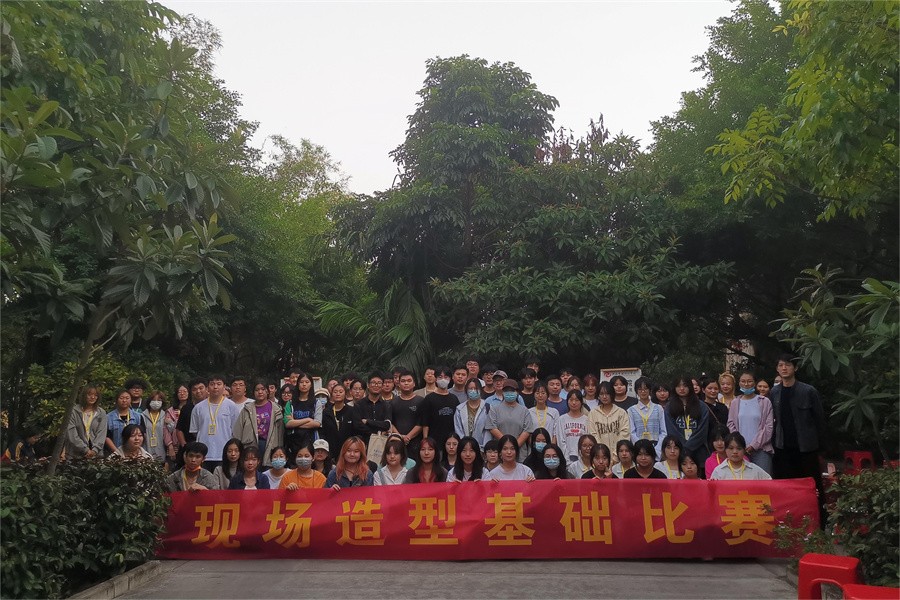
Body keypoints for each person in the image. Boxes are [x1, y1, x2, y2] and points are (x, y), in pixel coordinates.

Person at [769, 354, 826, 523]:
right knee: (785, 487)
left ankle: (819, 521)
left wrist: (822, 449)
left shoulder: (808, 391)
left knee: (812, 487)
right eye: (781, 365)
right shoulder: (774, 392)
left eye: (788, 365)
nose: (784, 368)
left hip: (806, 448)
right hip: (782, 448)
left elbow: (819, 420)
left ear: (795, 368)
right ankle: (788, 521)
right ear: (777, 369)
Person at [189, 374, 241, 471]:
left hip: (224, 454)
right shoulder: (198, 407)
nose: (215, 387)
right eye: (212, 384)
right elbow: (195, 431)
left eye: (219, 384)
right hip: (203, 455)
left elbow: (235, 431)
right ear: (208, 387)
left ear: (224, 386)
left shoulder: (231, 406)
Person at [727, 370, 775, 475]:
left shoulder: (764, 401)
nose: (746, 384)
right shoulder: (735, 403)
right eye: (743, 381)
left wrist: (754, 445)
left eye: (749, 381)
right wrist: (739, 444)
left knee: (763, 480)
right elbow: (731, 424)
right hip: (740, 450)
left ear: (755, 383)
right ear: (739, 383)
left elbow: (768, 427)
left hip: (761, 450)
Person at [665, 375, 710, 474]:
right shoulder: (669, 407)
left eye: (685, 385)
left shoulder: (701, 406)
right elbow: (671, 429)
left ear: (690, 387)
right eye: (678, 386)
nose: (682, 389)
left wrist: (689, 446)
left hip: (699, 451)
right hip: (678, 451)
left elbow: (702, 430)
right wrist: (682, 446)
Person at [233, 379, 284, 467]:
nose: (260, 392)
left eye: (263, 389)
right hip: (250, 445)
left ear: (267, 391)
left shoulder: (276, 409)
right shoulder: (246, 409)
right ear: (253, 392)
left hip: (270, 445)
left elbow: (280, 434)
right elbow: (238, 432)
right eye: (257, 390)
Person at [487, 379, 534, 461]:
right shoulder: (494, 409)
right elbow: (492, 428)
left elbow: (527, 431)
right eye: (506, 391)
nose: (509, 393)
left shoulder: (524, 410)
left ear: (517, 392)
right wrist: (506, 445)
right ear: (503, 392)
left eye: (512, 391)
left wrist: (514, 447)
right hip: (500, 450)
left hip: (519, 452)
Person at [588, 382, 630, 464]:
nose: (604, 397)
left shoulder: (621, 412)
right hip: (600, 459)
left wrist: (615, 456)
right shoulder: (593, 413)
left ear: (612, 394)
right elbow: (592, 434)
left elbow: (624, 434)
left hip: (619, 458)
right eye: (601, 394)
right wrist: (602, 455)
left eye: (607, 394)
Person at [284, 372, 323, 457]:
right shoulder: (290, 403)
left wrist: (294, 422)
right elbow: (287, 423)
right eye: (301, 382)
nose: (304, 384)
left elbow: (317, 423)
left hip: (311, 440)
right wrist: (308, 419)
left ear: (311, 384)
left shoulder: (316, 403)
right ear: (297, 384)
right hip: (294, 441)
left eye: (307, 382)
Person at [628, 376, 667, 457]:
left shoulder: (658, 408)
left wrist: (657, 449)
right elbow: (632, 433)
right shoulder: (631, 410)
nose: (643, 391)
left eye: (645, 389)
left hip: (656, 446)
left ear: (650, 390)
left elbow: (663, 431)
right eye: (640, 389)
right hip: (639, 448)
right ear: (636, 391)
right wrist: (640, 448)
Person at [421, 366, 458, 451]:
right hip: (433, 441)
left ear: (450, 379)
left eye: (446, 377)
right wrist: (425, 440)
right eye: (440, 377)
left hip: (450, 442)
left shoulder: (454, 399)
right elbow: (425, 422)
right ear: (436, 379)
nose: (443, 380)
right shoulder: (429, 398)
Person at [67, 384, 107, 459]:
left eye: (95, 395)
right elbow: (72, 435)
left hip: (96, 455)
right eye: (90, 395)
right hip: (75, 455)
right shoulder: (73, 411)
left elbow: (102, 433)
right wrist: (85, 450)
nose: (93, 397)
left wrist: (95, 450)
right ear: (84, 395)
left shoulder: (101, 413)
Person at [390, 369, 424, 454]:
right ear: (398, 384)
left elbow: (421, 423)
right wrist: (400, 437)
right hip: (396, 442)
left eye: (409, 381)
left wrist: (408, 437)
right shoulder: (392, 402)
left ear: (414, 383)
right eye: (403, 381)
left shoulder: (421, 401)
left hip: (416, 443)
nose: (406, 383)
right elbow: (390, 422)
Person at [453, 377, 491, 449]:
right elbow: (458, 429)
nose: (473, 391)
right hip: (464, 448)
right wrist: (464, 445)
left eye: (476, 388)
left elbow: (488, 431)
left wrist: (484, 447)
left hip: (482, 448)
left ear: (480, 390)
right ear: (466, 390)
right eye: (470, 388)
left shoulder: (487, 407)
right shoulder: (459, 409)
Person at [321, 383, 353, 461]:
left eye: (340, 392)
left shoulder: (351, 411)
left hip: (348, 449)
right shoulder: (326, 412)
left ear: (345, 394)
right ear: (331, 394)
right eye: (335, 392)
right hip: (330, 450)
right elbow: (323, 431)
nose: (338, 394)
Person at [555, 390, 589, 464]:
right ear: (567, 401)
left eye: (577, 400)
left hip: (583, 460)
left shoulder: (587, 420)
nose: (574, 403)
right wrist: (566, 459)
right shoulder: (561, 419)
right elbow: (561, 441)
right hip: (565, 460)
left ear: (581, 402)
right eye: (571, 400)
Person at [105, 389, 143, 455]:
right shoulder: (109, 417)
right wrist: (117, 452)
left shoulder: (138, 416)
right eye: (121, 398)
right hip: (115, 453)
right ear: (116, 400)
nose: (124, 400)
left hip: (134, 453)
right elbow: (106, 437)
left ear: (131, 400)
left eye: (127, 398)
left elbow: (142, 434)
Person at [165, 383, 189, 469]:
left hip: (187, 443)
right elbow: (165, 430)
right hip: (174, 445)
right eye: (179, 392)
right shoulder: (170, 411)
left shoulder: (193, 408)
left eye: (185, 391)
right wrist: (170, 445)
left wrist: (172, 423)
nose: (182, 393)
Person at [141, 391, 167, 464]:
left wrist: (170, 423)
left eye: (159, 400)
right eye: (153, 400)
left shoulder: (165, 415)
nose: (156, 402)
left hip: (162, 450)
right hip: (146, 449)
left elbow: (170, 433)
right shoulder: (142, 416)